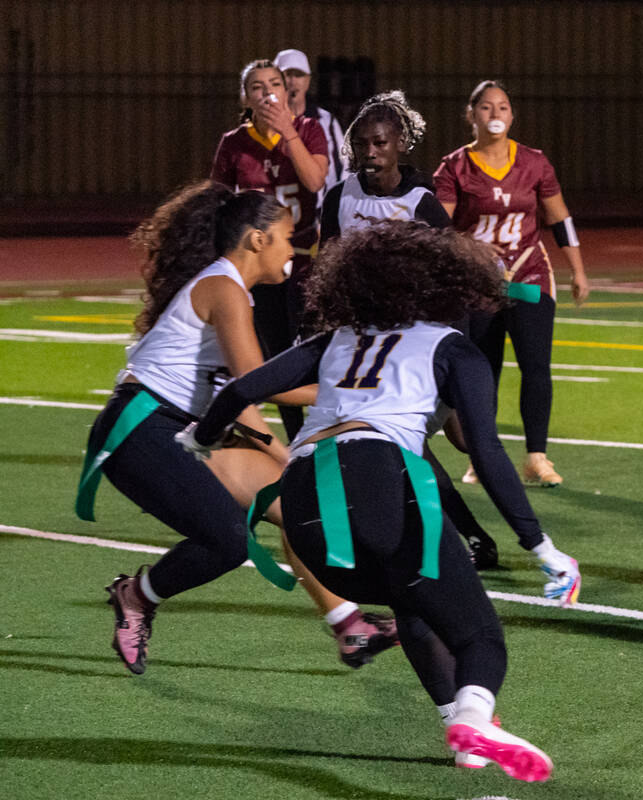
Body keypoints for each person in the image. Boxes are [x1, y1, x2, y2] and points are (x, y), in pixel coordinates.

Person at [177, 220, 579, 781]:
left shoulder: (338, 337)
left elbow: (243, 389)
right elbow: (486, 454)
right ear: (447, 286)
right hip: (376, 478)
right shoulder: (453, 348)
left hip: (305, 502)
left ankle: (462, 737)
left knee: (412, 599)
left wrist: (199, 438)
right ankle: (474, 719)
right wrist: (541, 547)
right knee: (479, 635)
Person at [78, 182, 396, 675]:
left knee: (298, 506)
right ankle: (137, 595)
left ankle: (350, 627)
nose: (293, 250)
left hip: (181, 426)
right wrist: (345, 392)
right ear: (257, 239)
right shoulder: (226, 290)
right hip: (138, 429)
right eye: (286, 237)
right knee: (227, 542)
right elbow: (254, 384)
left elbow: (238, 399)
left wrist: (285, 453)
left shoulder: (231, 290)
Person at [319, 89, 500, 570]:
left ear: (401, 143)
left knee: (468, 441)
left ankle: (518, 529)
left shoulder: (421, 204)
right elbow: (325, 271)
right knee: (411, 445)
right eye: (362, 143)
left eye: (380, 142)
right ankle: (475, 538)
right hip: (372, 349)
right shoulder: (340, 197)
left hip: (421, 340)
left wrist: (452, 350)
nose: (370, 152)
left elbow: (453, 275)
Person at [434, 80, 590, 488]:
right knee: (482, 370)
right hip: (478, 282)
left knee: (536, 366)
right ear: (471, 115)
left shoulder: (533, 162)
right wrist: (466, 252)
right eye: (486, 107)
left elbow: (560, 218)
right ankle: (481, 455)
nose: (495, 114)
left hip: (528, 274)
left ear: (512, 115)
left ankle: (537, 456)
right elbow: (438, 227)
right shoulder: (454, 167)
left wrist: (578, 269)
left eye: (502, 106)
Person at [210, 58, 329, 441]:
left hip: (303, 259)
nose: (267, 92)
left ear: (285, 90)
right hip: (259, 267)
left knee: (311, 349)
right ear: (245, 97)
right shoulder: (233, 143)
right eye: (257, 86)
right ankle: (298, 441)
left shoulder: (308, 130)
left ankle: (328, 430)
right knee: (276, 355)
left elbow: (314, 181)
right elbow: (218, 203)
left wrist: (288, 133)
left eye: (274, 83)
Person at [274, 48, 349, 202]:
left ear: (308, 81)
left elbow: (343, 167)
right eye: (287, 74)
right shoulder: (266, 121)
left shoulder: (326, 121)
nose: (293, 81)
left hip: (319, 210)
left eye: (299, 75)